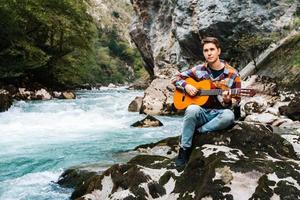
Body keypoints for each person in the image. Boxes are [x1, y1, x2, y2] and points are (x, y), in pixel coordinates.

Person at [171, 37, 241, 167]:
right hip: (201, 113)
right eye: (206, 50)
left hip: (219, 114)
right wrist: (186, 86)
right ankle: (184, 150)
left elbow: (237, 101)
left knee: (229, 116)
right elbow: (175, 78)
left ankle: (199, 132)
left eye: (212, 50)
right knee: (191, 109)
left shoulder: (232, 74)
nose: (209, 53)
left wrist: (228, 100)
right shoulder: (199, 70)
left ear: (218, 51)